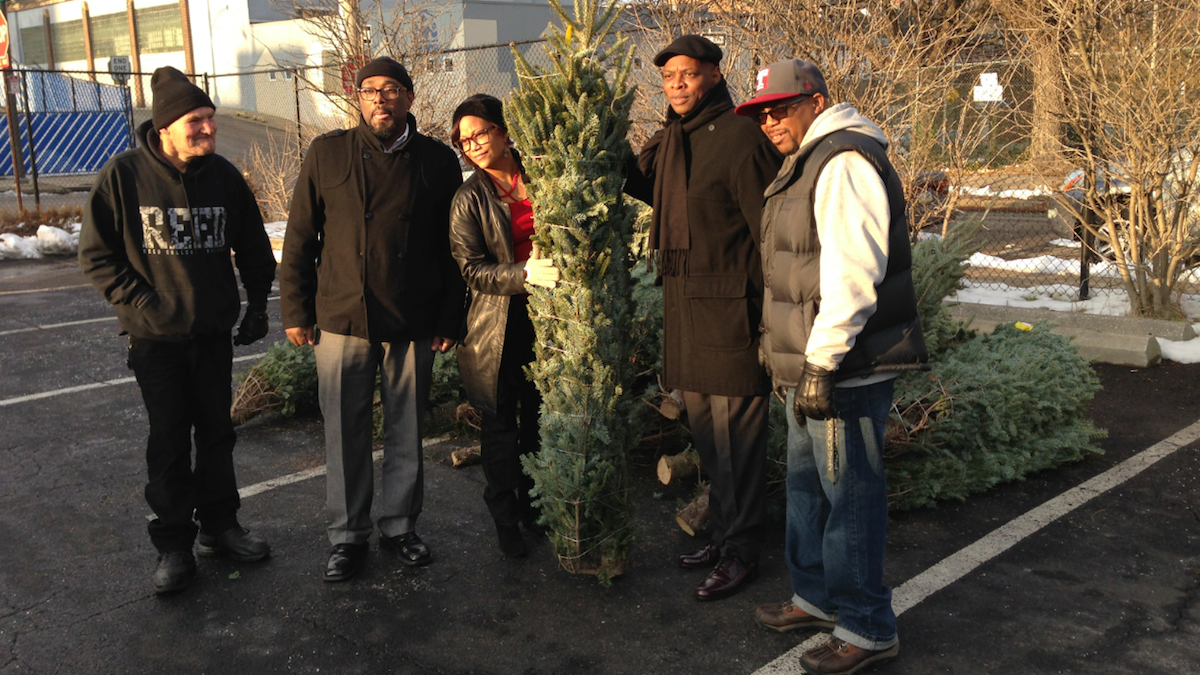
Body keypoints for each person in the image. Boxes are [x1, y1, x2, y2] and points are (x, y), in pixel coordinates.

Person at [734, 60, 929, 675]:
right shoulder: (809, 160)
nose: (769, 121)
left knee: (850, 499)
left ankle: (867, 627)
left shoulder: (842, 160)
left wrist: (820, 362)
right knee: (806, 489)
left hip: (842, 368)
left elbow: (853, 271)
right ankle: (816, 598)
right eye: (762, 112)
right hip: (810, 367)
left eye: (781, 108)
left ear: (815, 102)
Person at [78, 66, 276, 595]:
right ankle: (172, 546)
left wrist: (257, 305)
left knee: (217, 434)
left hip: (212, 335)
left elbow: (255, 248)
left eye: (211, 119)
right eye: (197, 121)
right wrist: (144, 302)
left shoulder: (224, 177)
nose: (209, 130)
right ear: (165, 126)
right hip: (155, 341)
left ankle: (220, 526)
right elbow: (96, 257)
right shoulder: (122, 178)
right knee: (168, 442)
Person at [279, 56, 466, 582]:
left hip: (414, 316)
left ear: (409, 97)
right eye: (369, 91)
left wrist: (451, 317)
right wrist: (296, 308)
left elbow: (453, 249)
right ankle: (347, 536)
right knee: (344, 431)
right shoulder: (328, 152)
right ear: (357, 99)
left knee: (407, 427)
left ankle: (401, 526)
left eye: (391, 90)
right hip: (341, 315)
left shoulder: (437, 160)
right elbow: (299, 238)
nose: (379, 99)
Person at [625, 35, 783, 601]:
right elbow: (644, 187)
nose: (677, 85)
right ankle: (721, 533)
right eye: (668, 78)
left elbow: (771, 233)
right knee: (710, 443)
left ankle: (743, 552)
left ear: (715, 75)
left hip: (734, 317)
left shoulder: (741, 137)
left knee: (739, 447)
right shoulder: (670, 140)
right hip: (685, 313)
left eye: (687, 74)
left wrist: (776, 320)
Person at [447, 94, 560, 558]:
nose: (471, 144)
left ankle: (534, 507)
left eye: (479, 132)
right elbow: (471, 269)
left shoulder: (542, 178)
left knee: (536, 420)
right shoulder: (468, 198)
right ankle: (505, 516)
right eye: (462, 139)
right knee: (499, 426)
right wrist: (523, 274)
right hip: (495, 329)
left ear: (503, 130)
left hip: (547, 319)